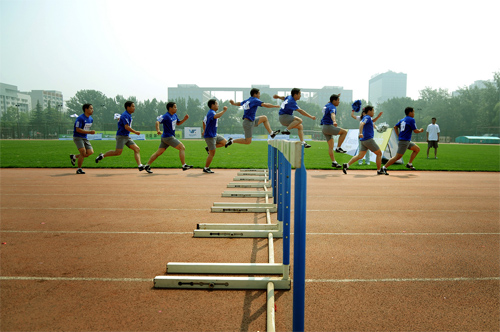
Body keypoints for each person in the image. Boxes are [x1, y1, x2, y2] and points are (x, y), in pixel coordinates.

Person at [142, 101, 193, 173]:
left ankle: (147, 165)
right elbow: (157, 122)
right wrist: (158, 130)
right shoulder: (166, 116)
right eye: (175, 107)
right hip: (168, 137)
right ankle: (184, 165)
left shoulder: (175, 115)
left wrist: (184, 119)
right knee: (182, 147)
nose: (176, 108)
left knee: (158, 153)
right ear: (170, 108)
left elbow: (178, 123)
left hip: (166, 138)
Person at [95, 101, 145, 170]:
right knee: (117, 152)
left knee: (136, 149)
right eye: (133, 106)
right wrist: (135, 132)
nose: (134, 108)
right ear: (128, 107)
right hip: (121, 136)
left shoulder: (128, 115)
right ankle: (102, 155)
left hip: (126, 136)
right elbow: (126, 127)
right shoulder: (125, 115)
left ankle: (140, 166)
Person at [342, 106, 385, 175]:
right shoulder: (367, 117)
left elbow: (371, 121)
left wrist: (378, 116)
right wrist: (361, 133)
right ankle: (379, 170)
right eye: (373, 111)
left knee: (360, 156)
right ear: (369, 111)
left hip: (363, 141)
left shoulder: (367, 118)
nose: (373, 112)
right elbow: (362, 124)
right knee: (379, 153)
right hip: (368, 140)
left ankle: (347, 165)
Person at [381, 107, 424, 174]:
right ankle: (384, 168)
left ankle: (409, 164)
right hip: (404, 141)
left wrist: (398, 135)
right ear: (410, 112)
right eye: (413, 112)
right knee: (397, 157)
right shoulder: (411, 119)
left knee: (417, 149)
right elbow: (415, 131)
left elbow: (395, 127)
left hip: (406, 141)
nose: (414, 113)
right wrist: (420, 130)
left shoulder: (402, 120)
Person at [202, 99, 230, 173]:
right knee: (212, 153)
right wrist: (224, 111)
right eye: (217, 104)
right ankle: (206, 168)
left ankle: (209, 148)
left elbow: (204, 121)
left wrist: (204, 130)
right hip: (210, 135)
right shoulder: (211, 112)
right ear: (212, 105)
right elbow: (217, 116)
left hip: (214, 134)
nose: (218, 105)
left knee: (225, 143)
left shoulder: (212, 112)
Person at [321, 93, 348, 168]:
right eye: (338, 100)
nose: (339, 102)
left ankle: (334, 162)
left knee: (330, 147)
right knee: (344, 132)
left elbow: (329, 101)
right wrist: (334, 121)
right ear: (334, 101)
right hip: (329, 127)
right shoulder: (332, 107)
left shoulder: (327, 105)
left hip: (324, 128)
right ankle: (339, 148)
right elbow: (333, 114)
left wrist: (337, 96)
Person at [70, 103, 95, 174]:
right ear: (86, 109)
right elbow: (77, 129)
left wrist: (88, 132)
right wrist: (89, 132)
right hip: (77, 137)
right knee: (83, 152)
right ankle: (79, 169)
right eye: (91, 108)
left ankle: (74, 157)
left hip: (84, 137)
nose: (92, 110)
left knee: (90, 152)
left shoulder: (91, 119)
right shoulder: (80, 118)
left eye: (92, 108)